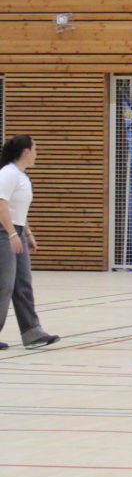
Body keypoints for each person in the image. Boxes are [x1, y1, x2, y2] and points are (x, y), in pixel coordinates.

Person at [0, 134, 60, 350]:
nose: (36, 154)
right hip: (3, 232)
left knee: (22, 284)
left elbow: (17, 209)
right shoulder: (8, 173)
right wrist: (11, 234)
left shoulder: (22, 176)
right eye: (35, 149)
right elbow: (1, 204)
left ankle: (32, 333)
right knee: (4, 285)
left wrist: (26, 233)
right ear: (26, 152)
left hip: (15, 231)